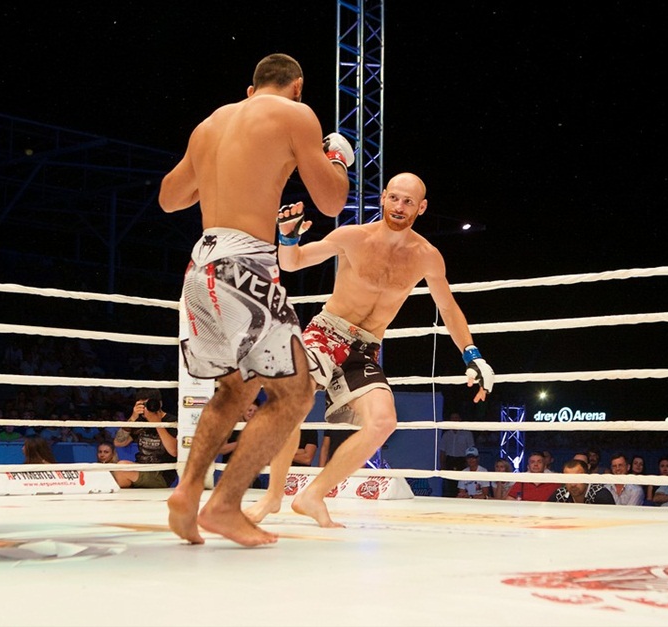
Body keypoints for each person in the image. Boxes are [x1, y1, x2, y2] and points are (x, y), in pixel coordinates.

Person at [159, 53, 351, 546]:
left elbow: (170, 198)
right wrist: (335, 160)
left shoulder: (211, 124)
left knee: (233, 390)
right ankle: (225, 504)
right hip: (244, 265)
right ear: (297, 86)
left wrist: (217, 173)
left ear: (250, 89)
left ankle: (187, 493)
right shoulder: (295, 114)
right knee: (296, 394)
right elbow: (332, 201)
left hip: (200, 267)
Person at [245, 172, 495, 527]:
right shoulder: (353, 237)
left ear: (421, 207)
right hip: (325, 333)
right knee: (293, 401)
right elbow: (292, 262)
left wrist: (473, 355)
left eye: (408, 201)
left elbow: (448, 308)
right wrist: (287, 236)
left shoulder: (427, 256)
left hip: (365, 348)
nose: (399, 207)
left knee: (383, 421)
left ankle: (313, 496)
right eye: (394, 198)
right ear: (383, 198)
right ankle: (273, 497)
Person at [113, 389, 178, 489]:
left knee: (122, 467)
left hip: (160, 474)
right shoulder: (141, 422)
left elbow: (174, 451)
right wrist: (133, 418)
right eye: (142, 405)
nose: (147, 408)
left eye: (149, 404)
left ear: (159, 404)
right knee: (115, 470)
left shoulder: (172, 421)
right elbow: (118, 442)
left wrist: (157, 423)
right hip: (141, 468)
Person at [438, 411, 475, 498]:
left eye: (456, 418)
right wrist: (442, 466)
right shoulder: (446, 434)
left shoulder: (467, 434)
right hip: (450, 460)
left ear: (460, 419)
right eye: (452, 418)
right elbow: (442, 451)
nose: (454, 420)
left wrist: (470, 464)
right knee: (450, 485)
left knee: (463, 484)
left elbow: (471, 450)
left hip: (462, 461)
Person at [548, 459, 615, 504]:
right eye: (568, 479)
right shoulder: (559, 495)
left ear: (586, 478)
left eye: (577, 479)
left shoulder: (601, 495)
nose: (573, 484)